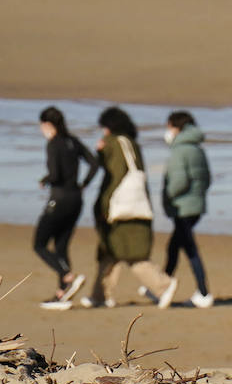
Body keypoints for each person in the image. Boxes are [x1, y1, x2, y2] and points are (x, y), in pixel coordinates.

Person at [81, 106, 178, 309]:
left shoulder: (114, 143)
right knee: (111, 254)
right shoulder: (132, 144)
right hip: (136, 208)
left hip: (121, 212)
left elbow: (114, 176)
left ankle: (163, 285)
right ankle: (100, 295)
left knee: (131, 255)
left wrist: (103, 206)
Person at [35, 107, 99, 310]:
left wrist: (45, 180)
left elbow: (55, 175)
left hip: (59, 199)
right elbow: (94, 163)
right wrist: (84, 183)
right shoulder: (73, 141)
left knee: (40, 244)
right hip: (76, 199)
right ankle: (62, 294)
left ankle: (67, 276)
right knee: (61, 246)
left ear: (47, 125)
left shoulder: (54, 144)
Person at [162, 111, 214, 308]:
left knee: (189, 249)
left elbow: (179, 181)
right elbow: (207, 179)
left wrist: (168, 195)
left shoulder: (180, 150)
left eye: (169, 127)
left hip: (183, 207)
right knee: (174, 247)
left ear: (177, 128)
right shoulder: (197, 149)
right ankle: (162, 284)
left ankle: (203, 292)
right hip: (196, 205)